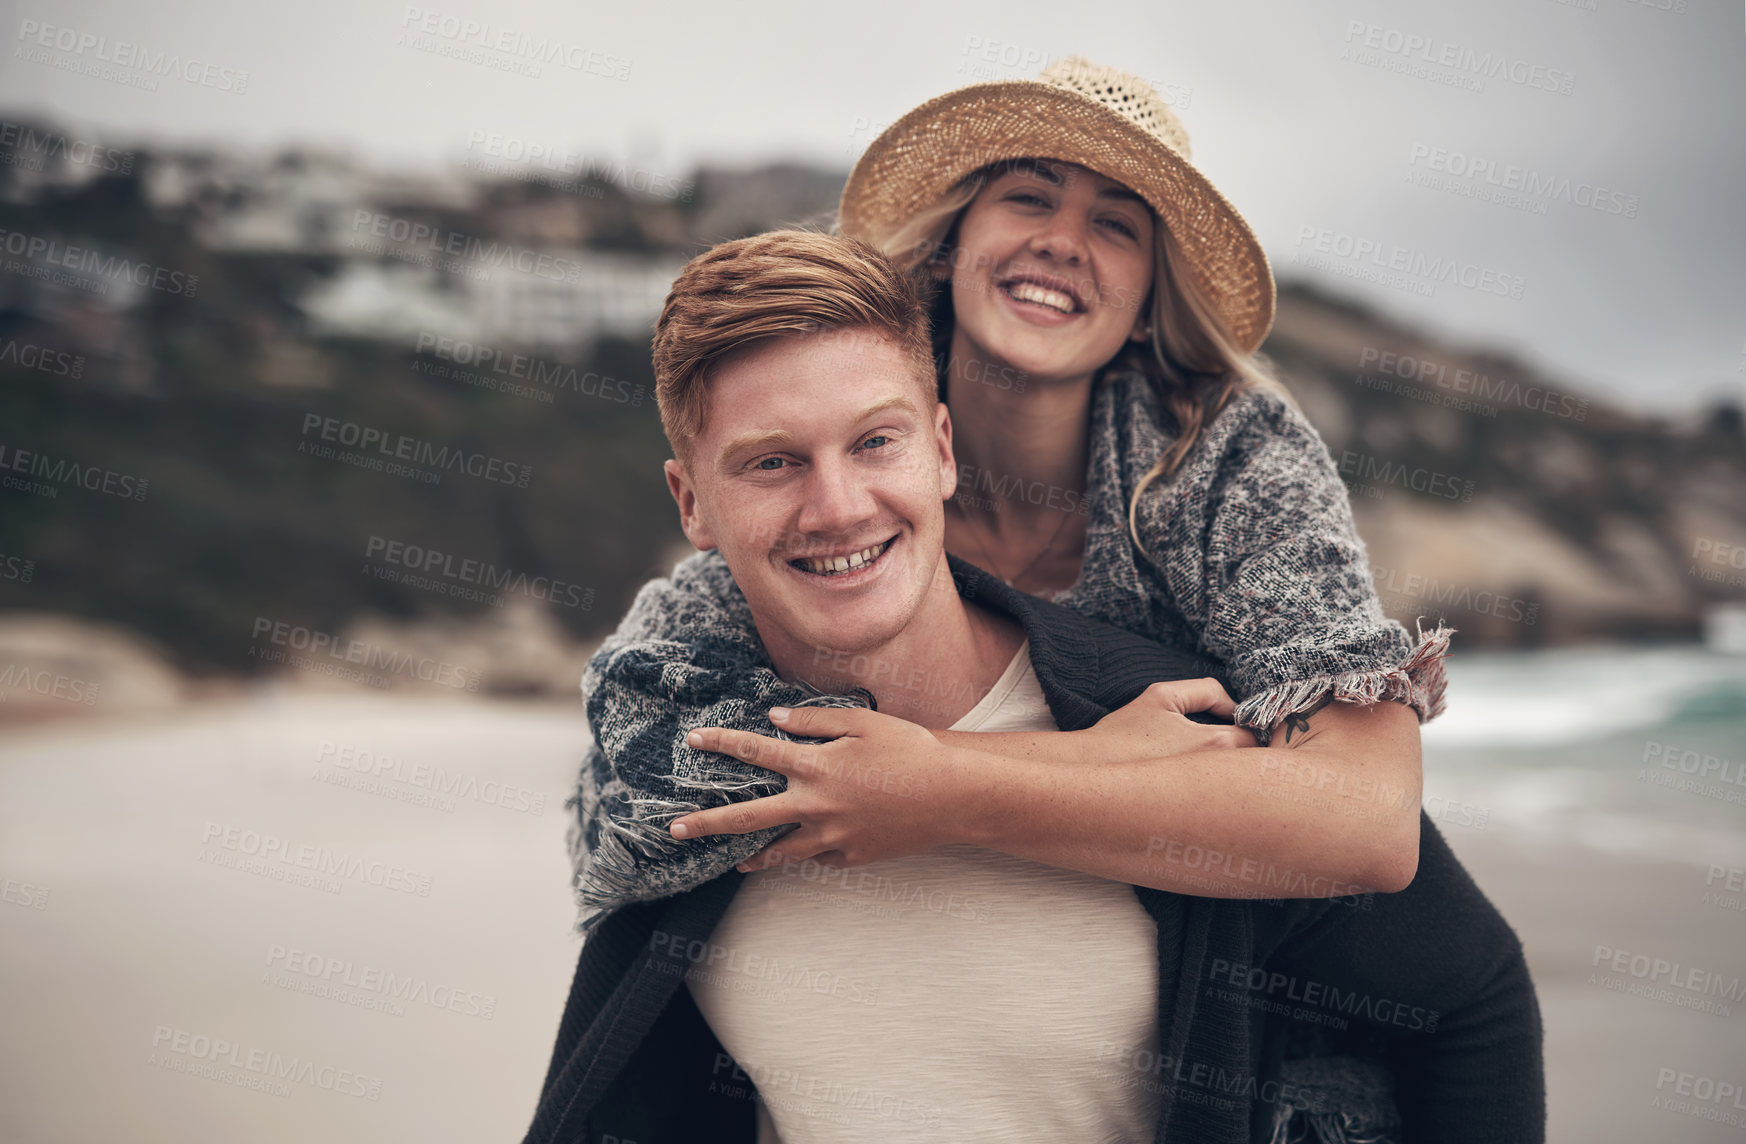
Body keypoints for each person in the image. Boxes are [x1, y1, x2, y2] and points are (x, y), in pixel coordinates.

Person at [522, 230, 1543, 1144]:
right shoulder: (692, 770)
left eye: (876, 441)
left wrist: (972, 778)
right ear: (691, 501)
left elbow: (1473, 990)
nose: (835, 506)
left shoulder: (1180, 741)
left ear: (943, 448)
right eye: (772, 463)